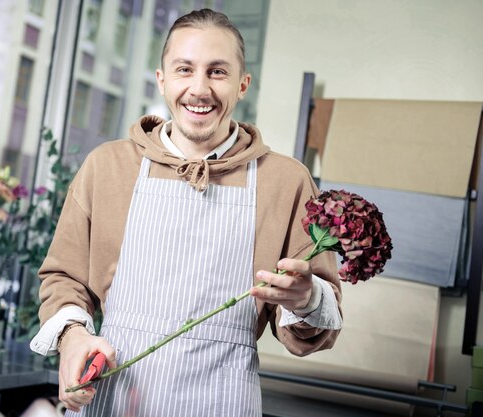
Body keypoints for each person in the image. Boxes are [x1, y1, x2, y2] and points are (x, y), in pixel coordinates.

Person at [30, 8, 342, 416]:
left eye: (217, 72)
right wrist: (72, 337)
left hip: (222, 402)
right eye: (184, 70)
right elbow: (64, 276)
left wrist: (306, 298)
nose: (199, 88)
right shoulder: (107, 167)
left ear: (242, 85)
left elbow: (322, 317)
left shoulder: (287, 182)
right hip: (110, 398)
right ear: (162, 80)